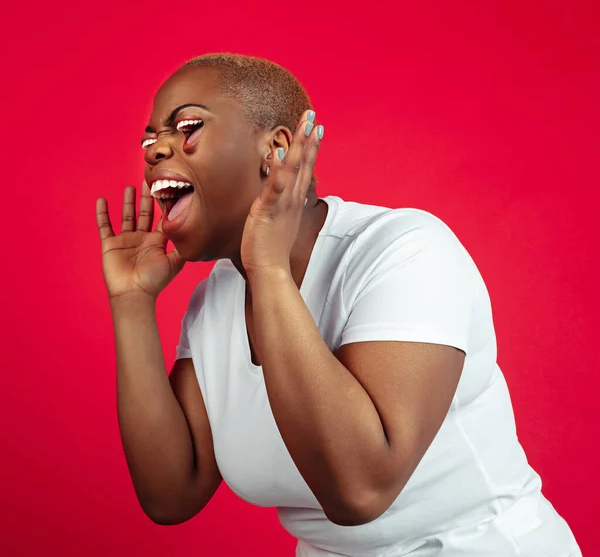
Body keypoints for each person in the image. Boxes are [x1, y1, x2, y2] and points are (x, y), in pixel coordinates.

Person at [95, 53, 582, 557]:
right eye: (151, 140)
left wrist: (269, 269)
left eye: (188, 127)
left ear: (276, 150)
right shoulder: (213, 302)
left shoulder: (405, 250)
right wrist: (131, 303)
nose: (156, 151)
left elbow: (360, 489)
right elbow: (172, 492)